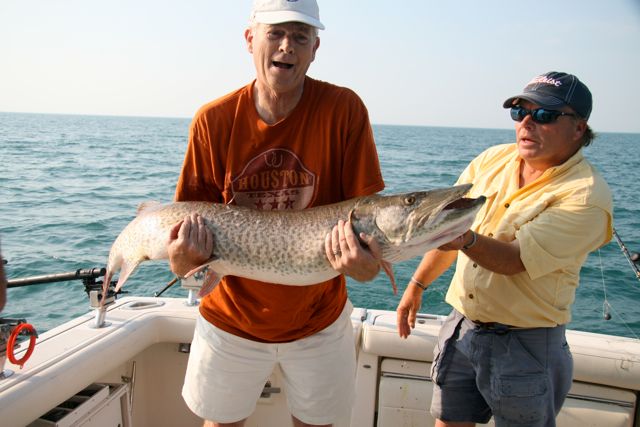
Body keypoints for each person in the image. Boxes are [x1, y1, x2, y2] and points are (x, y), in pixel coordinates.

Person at [168, 1, 385, 426]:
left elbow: (367, 220)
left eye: (301, 36)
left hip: (320, 320)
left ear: (315, 48)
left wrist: (368, 265)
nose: (288, 46)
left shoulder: (344, 110)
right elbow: (185, 244)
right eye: (276, 33)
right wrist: (182, 262)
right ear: (250, 39)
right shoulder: (213, 120)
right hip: (229, 319)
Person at [396, 71, 612, 427]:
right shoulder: (491, 160)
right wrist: (416, 285)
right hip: (463, 326)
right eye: (519, 112)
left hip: (526, 344)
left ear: (578, 128)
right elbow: (448, 229)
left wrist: (465, 239)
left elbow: (515, 259)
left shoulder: (586, 195)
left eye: (544, 115)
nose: (527, 122)